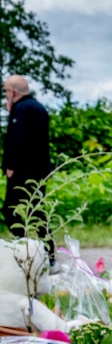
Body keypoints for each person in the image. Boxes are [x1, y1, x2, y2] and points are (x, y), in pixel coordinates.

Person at [3, 75, 54, 263]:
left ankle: (27, 246)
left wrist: (10, 165)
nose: (6, 95)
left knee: (10, 210)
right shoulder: (39, 108)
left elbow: (17, 139)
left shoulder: (21, 109)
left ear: (13, 92)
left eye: (6, 91)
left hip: (22, 170)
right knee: (37, 210)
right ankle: (48, 253)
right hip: (40, 169)